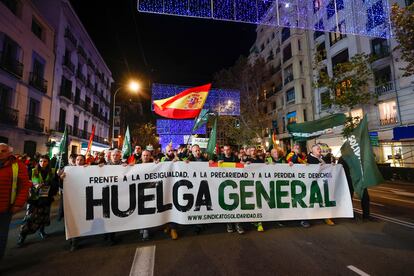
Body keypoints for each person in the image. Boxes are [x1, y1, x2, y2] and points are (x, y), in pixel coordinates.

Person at [18, 155, 59, 246]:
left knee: (44, 216)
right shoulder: (33, 171)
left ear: (48, 162)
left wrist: (52, 182)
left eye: (45, 161)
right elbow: (25, 182)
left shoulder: (52, 171)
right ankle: (22, 236)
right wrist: (34, 184)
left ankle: (42, 231)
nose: (42, 163)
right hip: (34, 198)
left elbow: (56, 184)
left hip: (46, 198)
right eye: (41, 161)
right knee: (29, 218)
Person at [0, 143, 31, 259]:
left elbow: (24, 186)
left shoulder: (18, 166)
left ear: (9, 153)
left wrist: (18, 204)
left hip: (5, 209)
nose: (0, 153)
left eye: (3, 151)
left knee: (1, 236)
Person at [60, 154, 87, 251]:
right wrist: (61, 178)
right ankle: (73, 241)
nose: (79, 161)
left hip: (83, 199)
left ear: (84, 161)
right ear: (75, 161)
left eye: (81, 160)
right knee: (72, 219)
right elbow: (60, 185)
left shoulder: (88, 169)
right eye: (78, 160)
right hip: (72, 200)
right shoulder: (68, 171)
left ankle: (78, 237)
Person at [218, 145, 244, 235]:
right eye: (225, 150)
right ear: (223, 151)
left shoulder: (235, 158)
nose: (226, 151)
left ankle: (238, 224)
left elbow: (241, 167)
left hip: (235, 184)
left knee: (237, 203)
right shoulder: (220, 158)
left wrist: (242, 163)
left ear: (230, 150)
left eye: (228, 150)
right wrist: (216, 163)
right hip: (224, 184)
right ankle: (229, 223)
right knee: (227, 203)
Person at [307, 144, 335, 226]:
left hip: (323, 183)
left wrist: (332, 166)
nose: (320, 150)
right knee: (310, 200)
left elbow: (328, 167)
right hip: (312, 183)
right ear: (313, 151)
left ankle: (326, 217)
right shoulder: (308, 159)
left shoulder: (322, 158)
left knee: (324, 199)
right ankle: (306, 219)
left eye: (320, 149)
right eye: (318, 149)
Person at [286, 143, 310, 228]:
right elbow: (289, 161)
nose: (297, 148)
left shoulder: (301, 155)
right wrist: (295, 155)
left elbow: (304, 162)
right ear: (293, 148)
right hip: (292, 180)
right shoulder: (290, 154)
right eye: (295, 147)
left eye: (298, 147)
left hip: (301, 179)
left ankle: (303, 218)